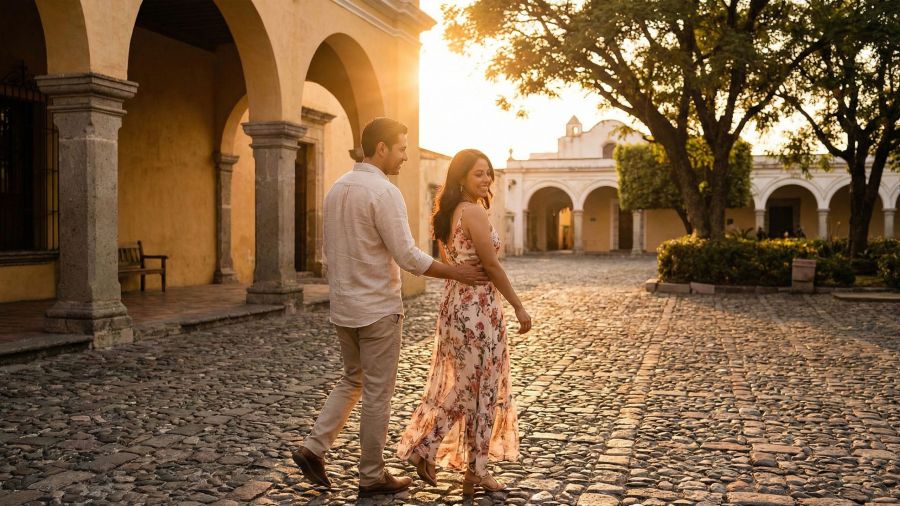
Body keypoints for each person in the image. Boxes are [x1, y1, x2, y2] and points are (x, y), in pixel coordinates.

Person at [292, 118, 489, 498]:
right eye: (400, 148)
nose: (403, 156)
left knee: (353, 379)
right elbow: (409, 256)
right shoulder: (384, 192)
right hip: (378, 308)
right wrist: (457, 273)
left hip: (344, 306)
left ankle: (314, 448)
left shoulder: (336, 188)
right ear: (380, 148)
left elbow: (329, 251)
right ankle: (371, 475)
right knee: (378, 393)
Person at [396, 149, 532, 496]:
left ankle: (474, 470)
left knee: (473, 386)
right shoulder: (472, 212)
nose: (486, 179)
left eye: (488, 173)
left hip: (457, 304)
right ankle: (427, 448)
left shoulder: (449, 213)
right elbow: (491, 265)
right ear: (461, 178)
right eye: (478, 174)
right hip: (478, 310)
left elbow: (453, 259)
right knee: (479, 387)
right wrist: (518, 306)